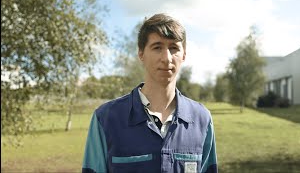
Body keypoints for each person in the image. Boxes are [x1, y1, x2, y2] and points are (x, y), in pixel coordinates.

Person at [82, 13, 218, 173]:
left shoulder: (202, 119)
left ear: (184, 55)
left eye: (174, 48)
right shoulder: (105, 118)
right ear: (141, 53)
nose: (167, 58)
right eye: (157, 47)